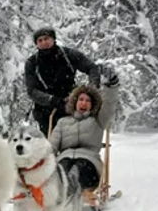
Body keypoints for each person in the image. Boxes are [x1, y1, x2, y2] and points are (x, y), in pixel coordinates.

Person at [48, 68, 120, 203]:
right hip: (65, 158)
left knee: (78, 168)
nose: (84, 103)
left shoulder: (97, 120)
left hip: (89, 162)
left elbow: (109, 105)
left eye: (88, 101)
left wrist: (111, 86)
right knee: (63, 166)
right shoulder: (63, 122)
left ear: (92, 105)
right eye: (81, 99)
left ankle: (67, 192)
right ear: (75, 102)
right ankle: (63, 190)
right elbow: (51, 147)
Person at [25, 27, 100, 136]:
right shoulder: (32, 63)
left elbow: (92, 68)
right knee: (51, 143)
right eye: (40, 40)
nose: (43, 42)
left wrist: (91, 89)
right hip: (45, 109)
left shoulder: (68, 55)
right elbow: (32, 91)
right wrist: (52, 100)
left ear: (53, 39)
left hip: (71, 104)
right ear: (36, 44)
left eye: (46, 38)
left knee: (72, 139)